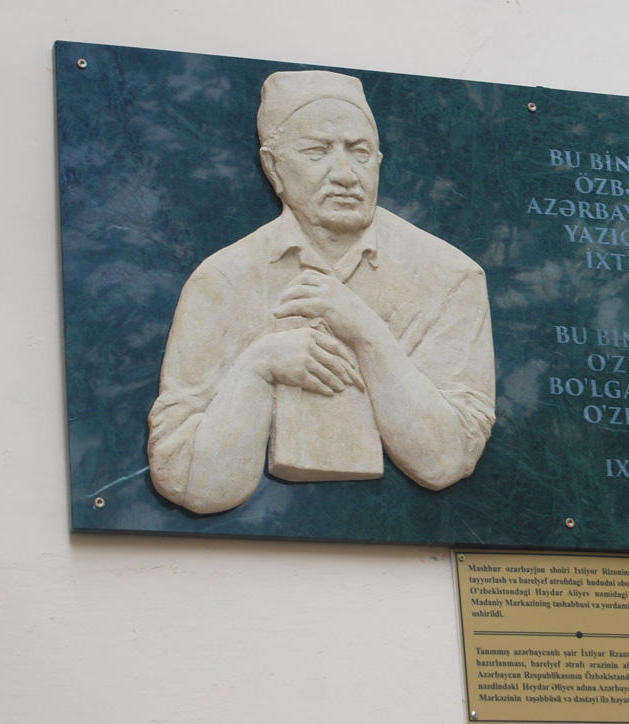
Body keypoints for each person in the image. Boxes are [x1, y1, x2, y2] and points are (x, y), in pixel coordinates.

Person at [147, 70, 496, 514]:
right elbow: (190, 484)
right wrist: (258, 366)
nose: (346, 175)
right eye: (317, 152)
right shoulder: (222, 281)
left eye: (360, 153)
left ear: (378, 161)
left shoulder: (451, 277)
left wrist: (367, 333)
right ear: (273, 167)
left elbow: (447, 461)